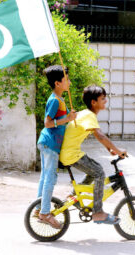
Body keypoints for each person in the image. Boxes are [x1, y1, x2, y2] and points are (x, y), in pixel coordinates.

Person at [60, 85, 127, 225]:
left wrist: (110, 149)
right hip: (71, 155)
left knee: (94, 170)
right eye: (103, 98)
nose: (106, 101)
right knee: (99, 173)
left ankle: (74, 197)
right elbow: (100, 135)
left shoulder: (86, 114)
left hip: (70, 153)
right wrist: (118, 150)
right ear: (93, 102)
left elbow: (99, 136)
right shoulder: (89, 115)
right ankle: (98, 212)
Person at [35, 65, 76, 229]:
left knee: (45, 177)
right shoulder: (54, 100)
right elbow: (48, 123)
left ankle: (38, 208)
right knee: (49, 179)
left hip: (48, 143)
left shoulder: (59, 98)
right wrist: (67, 119)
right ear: (58, 83)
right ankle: (45, 213)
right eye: (66, 79)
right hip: (50, 143)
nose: (69, 82)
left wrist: (68, 117)